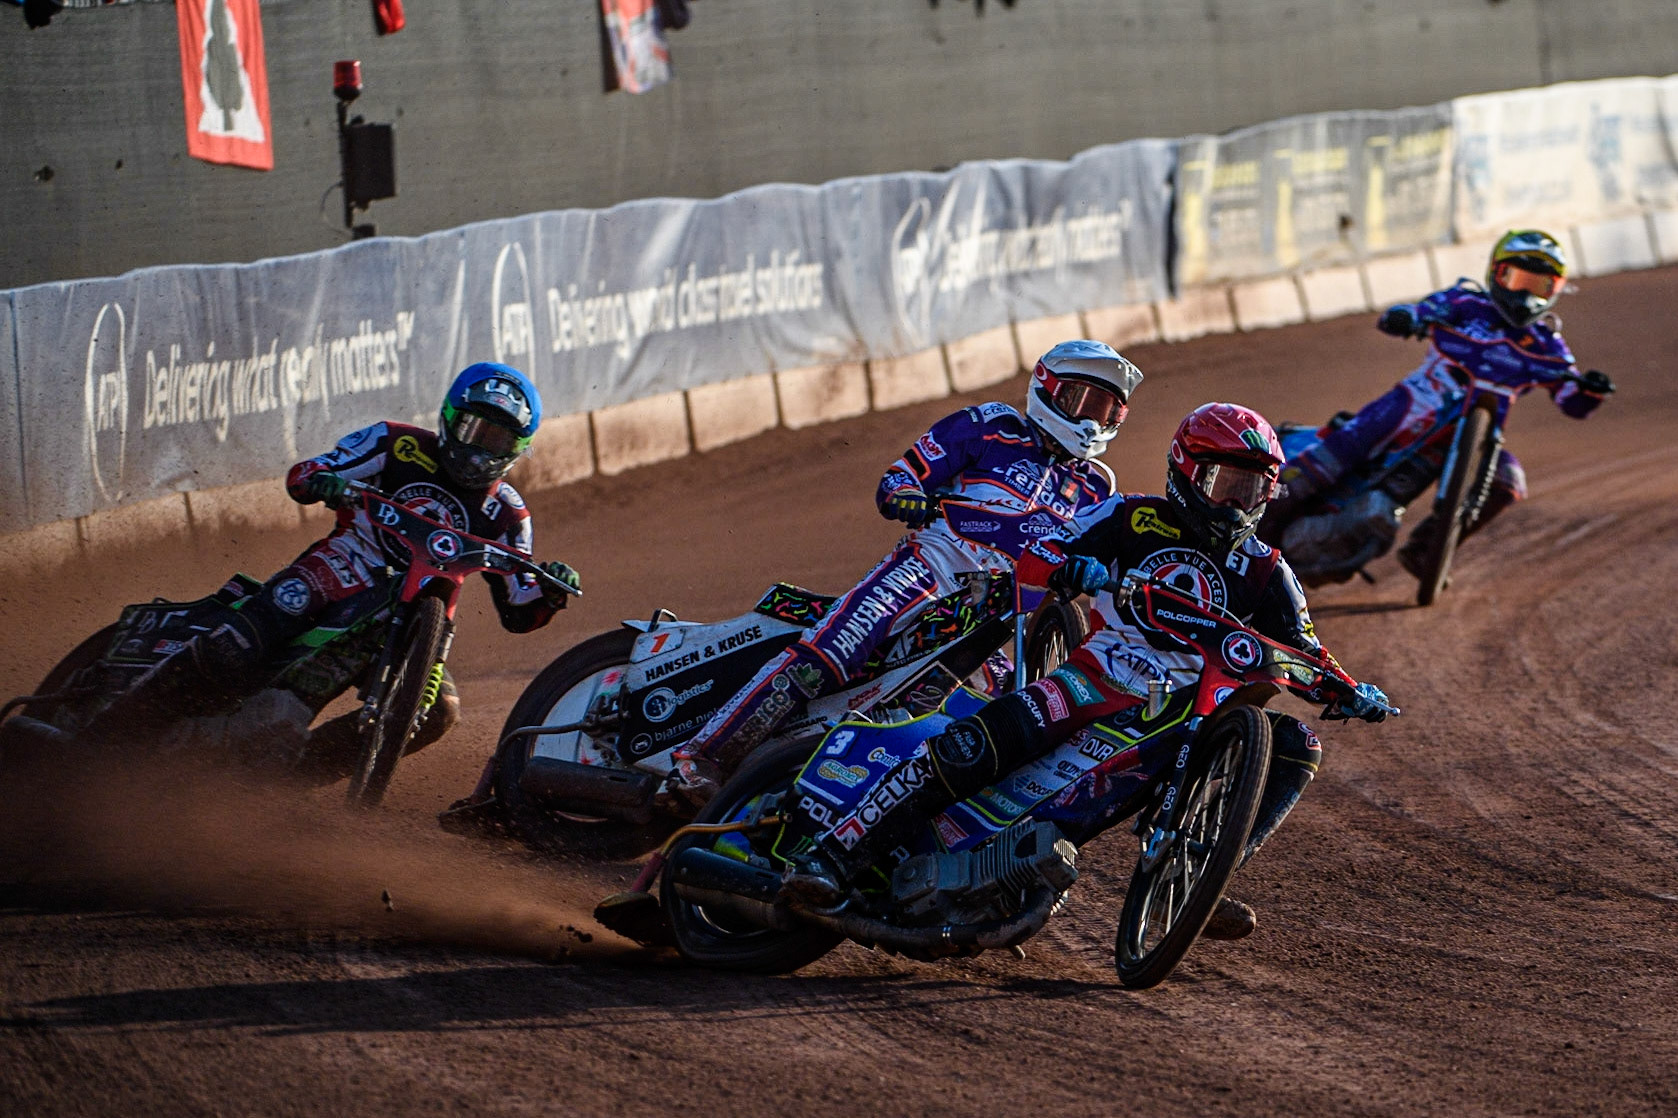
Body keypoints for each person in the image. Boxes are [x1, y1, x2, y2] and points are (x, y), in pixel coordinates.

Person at [777, 402, 1391, 939]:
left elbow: (1306, 648)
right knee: (973, 746)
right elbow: (1043, 550)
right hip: (1096, 676)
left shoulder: (1267, 569)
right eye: (1224, 483)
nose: (1237, 503)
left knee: (1296, 744)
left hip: (1189, 711)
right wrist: (1072, 571)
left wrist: (1350, 688)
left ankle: (1200, 875)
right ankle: (833, 856)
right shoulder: (1132, 517)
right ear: (1186, 473)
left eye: (1253, 489)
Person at [667, 340, 1145, 804]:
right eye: (1083, 401)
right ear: (1047, 388)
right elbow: (902, 475)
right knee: (837, 647)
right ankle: (699, 758)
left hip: (997, 614)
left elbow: (1104, 562)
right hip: (932, 563)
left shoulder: (1097, 487)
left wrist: (1095, 572)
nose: (1090, 420)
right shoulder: (991, 425)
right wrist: (906, 494)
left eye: (1107, 412)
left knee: (985, 718)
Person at [86, 361, 580, 769]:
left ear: (516, 450)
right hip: (338, 570)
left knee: (437, 712)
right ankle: (104, 734)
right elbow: (308, 474)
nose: (478, 451)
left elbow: (520, 607)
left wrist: (551, 590)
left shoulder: (507, 513)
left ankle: (289, 780)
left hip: (415, 618)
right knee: (237, 646)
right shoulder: (395, 444)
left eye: (496, 441)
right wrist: (324, 481)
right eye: (474, 429)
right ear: (450, 419)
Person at [1265, 229, 1615, 578]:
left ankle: (1427, 553)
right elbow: (1418, 311)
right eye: (1518, 279)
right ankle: (1251, 536)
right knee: (1324, 464)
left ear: (1555, 291)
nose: (1525, 294)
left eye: (1539, 286)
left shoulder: (1546, 343)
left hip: (1476, 442)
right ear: (1496, 274)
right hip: (1407, 409)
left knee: (1508, 482)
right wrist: (1406, 317)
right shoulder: (1467, 303)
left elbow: (1572, 400)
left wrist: (1591, 390)